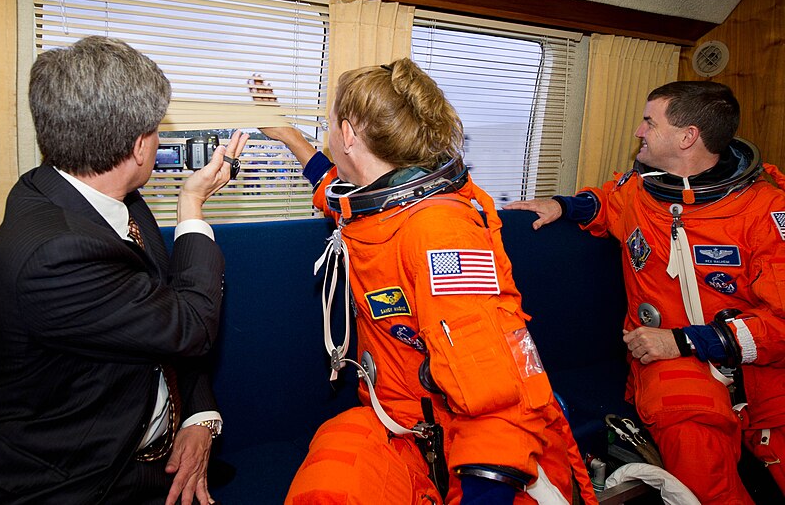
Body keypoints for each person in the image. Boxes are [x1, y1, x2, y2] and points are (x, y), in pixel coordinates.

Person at [251, 59, 597, 504]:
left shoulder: (440, 232)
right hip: (400, 419)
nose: (328, 137)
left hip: (473, 443)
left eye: (329, 126)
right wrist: (288, 136)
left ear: (350, 135)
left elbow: (497, 394)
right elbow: (337, 193)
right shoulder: (380, 205)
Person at [0, 35, 249, 504]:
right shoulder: (55, 253)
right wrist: (192, 205)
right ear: (140, 145)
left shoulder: (94, 194)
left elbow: (158, 308)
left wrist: (198, 416)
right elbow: (190, 324)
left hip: (157, 437)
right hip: (86, 478)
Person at [506, 81, 785, 504]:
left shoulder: (765, 212)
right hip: (671, 368)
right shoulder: (642, 191)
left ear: (687, 136)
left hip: (755, 369)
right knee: (703, 471)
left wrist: (686, 340)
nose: (638, 131)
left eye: (649, 122)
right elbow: (605, 204)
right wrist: (563, 206)